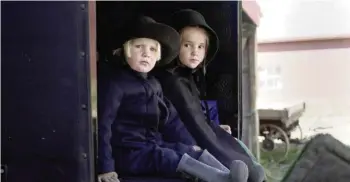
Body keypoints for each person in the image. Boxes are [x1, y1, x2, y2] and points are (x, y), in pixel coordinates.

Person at [97, 15, 249, 182]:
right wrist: (106, 168)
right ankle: (222, 179)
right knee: (168, 157)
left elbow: (171, 120)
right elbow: (103, 127)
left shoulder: (154, 84)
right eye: (139, 47)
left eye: (152, 49)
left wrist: (190, 144)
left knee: (189, 151)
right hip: (130, 153)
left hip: (152, 145)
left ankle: (227, 173)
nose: (146, 54)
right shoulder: (116, 84)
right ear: (125, 51)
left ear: (158, 56)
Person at [153, 9, 265, 182]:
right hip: (181, 140)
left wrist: (215, 127)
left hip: (195, 132)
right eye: (187, 45)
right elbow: (191, 124)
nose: (195, 52)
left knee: (235, 145)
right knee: (232, 158)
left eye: (200, 46)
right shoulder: (172, 81)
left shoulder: (187, 77)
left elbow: (198, 118)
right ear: (174, 45)